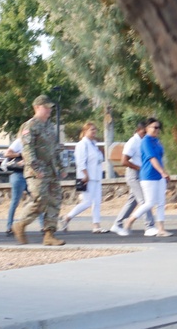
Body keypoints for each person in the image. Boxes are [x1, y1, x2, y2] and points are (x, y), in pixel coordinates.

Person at [12, 94, 66, 246]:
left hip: (52, 170)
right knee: (39, 200)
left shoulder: (49, 126)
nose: (49, 110)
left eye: (50, 107)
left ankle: (49, 234)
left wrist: (61, 167)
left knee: (54, 201)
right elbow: (27, 150)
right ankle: (20, 224)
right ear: (36, 107)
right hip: (37, 172)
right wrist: (36, 168)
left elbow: (55, 148)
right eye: (46, 107)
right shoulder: (29, 126)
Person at [123, 117, 172, 236]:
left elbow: (160, 158)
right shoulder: (145, 141)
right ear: (147, 128)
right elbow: (152, 158)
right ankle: (130, 220)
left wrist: (162, 172)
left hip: (159, 175)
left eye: (158, 127)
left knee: (161, 203)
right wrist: (162, 172)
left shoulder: (157, 141)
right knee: (149, 203)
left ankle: (161, 229)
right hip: (148, 175)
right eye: (154, 127)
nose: (157, 129)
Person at [111, 118, 157, 236]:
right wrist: (139, 168)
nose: (144, 134)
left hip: (141, 174)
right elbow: (124, 161)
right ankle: (149, 226)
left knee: (132, 202)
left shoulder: (144, 141)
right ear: (138, 130)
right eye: (143, 132)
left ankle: (117, 224)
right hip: (133, 174)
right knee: (144, 200)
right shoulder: (132, 142)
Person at [59, 121, 107, 233]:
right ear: (85, 131)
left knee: (97, 202)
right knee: (87, 202)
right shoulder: (82, 144)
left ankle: (96, 225)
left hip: (96, 176)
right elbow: (80, 162)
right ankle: (67, 217)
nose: (94, 132)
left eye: (95, 129)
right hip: (87, 177)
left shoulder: (93, 144)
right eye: (92, 129)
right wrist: (85, 175)